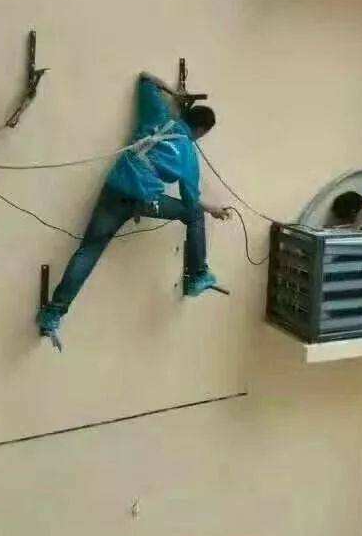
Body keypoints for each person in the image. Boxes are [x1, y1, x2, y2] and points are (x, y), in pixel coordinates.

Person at [36, 72, 230, 337]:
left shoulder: (157, 115)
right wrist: (211, 209)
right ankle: (198, 274)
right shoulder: (188, 152)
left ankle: (53, 313)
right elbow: (190, 201)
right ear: (202, 131)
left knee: (89, 250)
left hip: (114, 190)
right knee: (195, 215)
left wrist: (173, 93)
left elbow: (146, 79)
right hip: (146, 201)